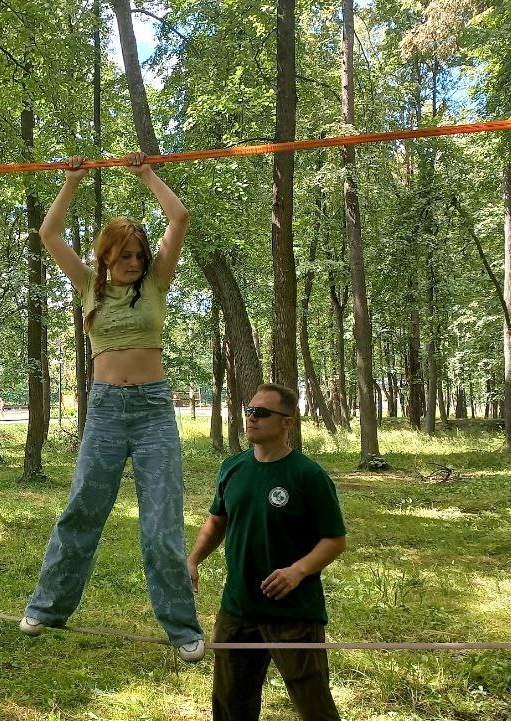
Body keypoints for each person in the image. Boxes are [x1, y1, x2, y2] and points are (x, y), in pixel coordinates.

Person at [20, 153, 205, 662]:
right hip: (104, 412)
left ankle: (182, 628)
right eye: (125, 254)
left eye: (139, 254)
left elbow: (179, 217)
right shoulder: (86, 284)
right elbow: (49, 234)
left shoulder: (156, 285)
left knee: (161, 524)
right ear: (105, 255)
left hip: (152, 413)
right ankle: (48, 606)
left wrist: (146, 174)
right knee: (83, 509)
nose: (134, 262)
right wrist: (71, 182)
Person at [188, 383, 347, 721]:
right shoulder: (233, 468)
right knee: (231, 704)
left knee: (314, 705)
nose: (251, 418)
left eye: (262, 413)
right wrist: (193, 559)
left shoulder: (308, 475)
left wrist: (297, 571)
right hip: (238, 608)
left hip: (294, 614)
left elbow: (334, 540)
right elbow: (217, 522)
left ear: (287, 423)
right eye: (249, 410)